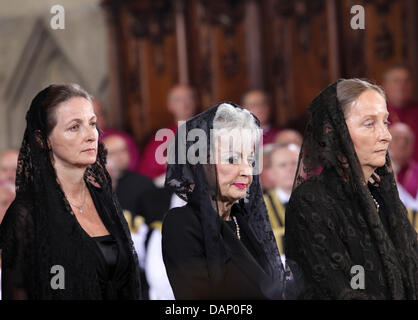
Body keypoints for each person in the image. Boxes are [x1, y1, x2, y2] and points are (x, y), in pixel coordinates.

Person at [0, 84, 141, 299]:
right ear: (42, 140)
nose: (90, 135)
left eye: (92, 124)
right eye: (74, 127)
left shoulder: (104, 201)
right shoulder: (26, 214)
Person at [285, 78, 418, 299]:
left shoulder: (384, 198)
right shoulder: (311, 201)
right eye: (369, 123)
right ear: (335, 133)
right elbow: (340, 292)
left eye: (385, 122)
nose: (386, 136)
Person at [162, 102, 286, 299]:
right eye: (232, 159)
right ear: (200, 164)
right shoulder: (183, 224)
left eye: (251, 160)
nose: (247, 171)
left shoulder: (243, 220)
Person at [138, 84, 198, 185]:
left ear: (196, 102)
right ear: (170, 106)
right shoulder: (160, 140)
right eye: (178, 100)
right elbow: (147, 174)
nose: (186, 103)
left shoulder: (210, 132)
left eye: (189, 98)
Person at [263, 143, 300, 256]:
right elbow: (264, 242)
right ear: (271, 173)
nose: (290, 169)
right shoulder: (261, 205)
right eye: (283, 165)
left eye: (294, 163)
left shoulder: (321, 199)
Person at [382, 64, 418, 161]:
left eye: (406, 81)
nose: (402, 85)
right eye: (396, 81)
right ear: (385, 86)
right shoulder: (377, 114)